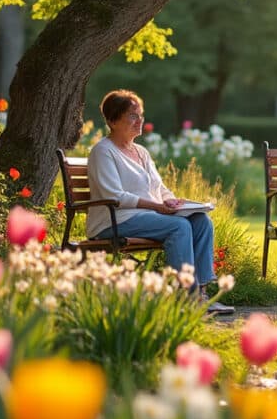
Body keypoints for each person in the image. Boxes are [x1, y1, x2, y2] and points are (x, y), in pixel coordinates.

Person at [86, 90, 233, 314]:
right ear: (112, 120)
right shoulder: (103, 151)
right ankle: (187, 296)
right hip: (115, 220)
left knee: (201, 220)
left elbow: (159, 187)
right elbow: (114, 196)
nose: (140, 121)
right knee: (179, 226)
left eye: (140, 115)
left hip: (147, 216)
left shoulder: (141, 152)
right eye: (132, 116)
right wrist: (156, 206)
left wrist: (171, 201)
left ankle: (201, 294)